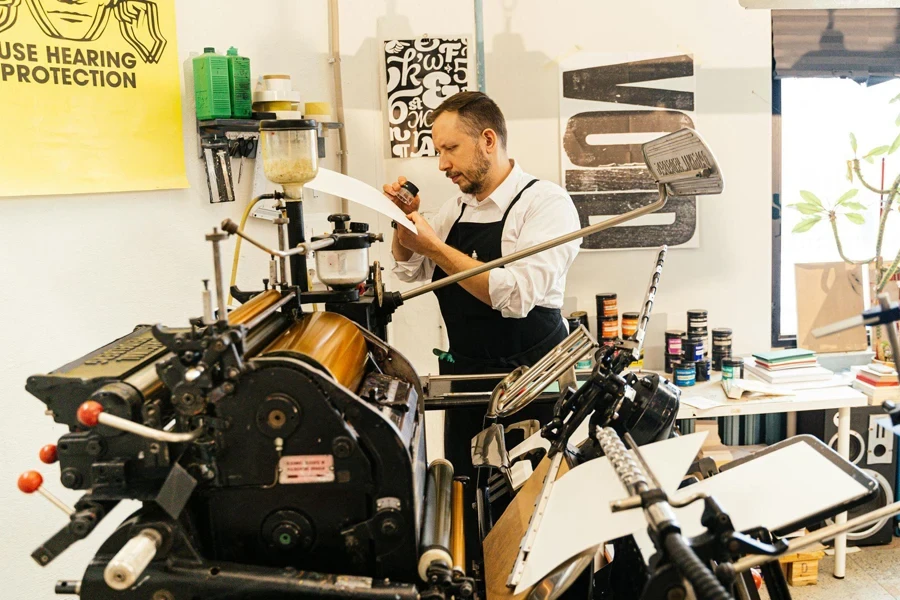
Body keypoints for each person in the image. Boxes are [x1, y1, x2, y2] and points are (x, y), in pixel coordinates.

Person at [384, 91, 581, 543]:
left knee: (534, 521)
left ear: (488, 140)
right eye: (438, 151)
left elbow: (514, 295)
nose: (441, 164)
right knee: (468, 516)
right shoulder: (456, 208)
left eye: (450, 149)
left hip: (531, 387)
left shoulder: (546, 205)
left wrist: (433, 245)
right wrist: (404, 225)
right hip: (467, 386)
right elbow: (410, 270)